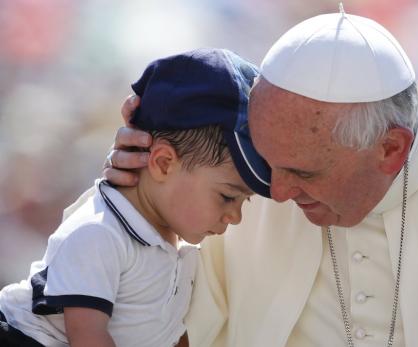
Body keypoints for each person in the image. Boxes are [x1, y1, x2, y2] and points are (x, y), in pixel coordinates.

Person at [106, 8, 418, 347]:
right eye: (267, 162)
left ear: (392, 149)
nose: (275, 193)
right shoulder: (236, 172)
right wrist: (134, 198)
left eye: (302, 172)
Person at [0, 48, 270, 347]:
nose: (236, 217)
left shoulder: (176, 247)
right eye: (227, 196)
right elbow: (87, 336)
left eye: (244, 201)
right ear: (164, 163)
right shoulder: (98, 234)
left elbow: (166, 333)